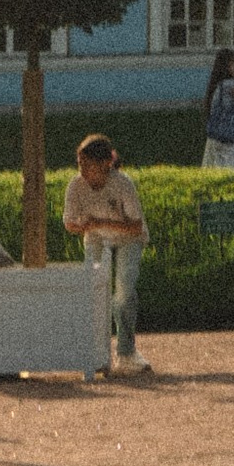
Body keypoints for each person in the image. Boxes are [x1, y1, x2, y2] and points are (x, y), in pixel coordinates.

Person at [64, 132, 149, 365]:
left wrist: (100, 222)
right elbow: (69, 221)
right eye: (80, 164)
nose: (82, 171)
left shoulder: (123, 184)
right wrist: (81, 226)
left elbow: (136, 226)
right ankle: (98, 352)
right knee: (96, 291)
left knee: (123, 291)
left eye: (88, 165)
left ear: (105, 164)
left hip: (128, 239)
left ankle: (126, 352)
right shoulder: (75, 186)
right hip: (96, 238)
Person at [201, 47, 234, 175]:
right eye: (233, 63)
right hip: (228, 135)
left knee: (213, 172)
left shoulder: (216, 85)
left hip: (215, 135)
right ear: (228, 65)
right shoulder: (229, 84)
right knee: (231, 173)